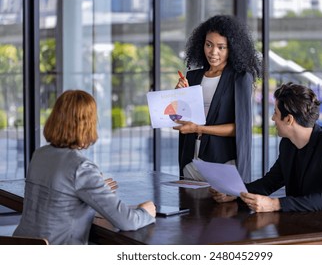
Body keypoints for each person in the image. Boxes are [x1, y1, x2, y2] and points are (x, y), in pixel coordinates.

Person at [13, 90, 156, 244]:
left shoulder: (39, 155)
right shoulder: (81, 167)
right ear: (87, 124)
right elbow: (127, 222)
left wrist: (94, 188)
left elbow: (59, 199)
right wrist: (145, 211)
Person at [211, 82, 322, 220]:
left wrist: (275, 203)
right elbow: (269, 183)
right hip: (310, 221)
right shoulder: (288, 144)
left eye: (276, 113)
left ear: (289, 119)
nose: (272, 119)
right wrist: (235, 192)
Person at [173, 15, 262, 182]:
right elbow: (180, 118)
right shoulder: (192, 77)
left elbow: (240, 129)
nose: (213, 52)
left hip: (223, 162)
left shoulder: (240, 78)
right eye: (209, 45)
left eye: (221, 47)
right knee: (190, 206)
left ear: (232, 49)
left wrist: (199, 129)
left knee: (223, 208)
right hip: (191, 160)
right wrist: (178, 97)